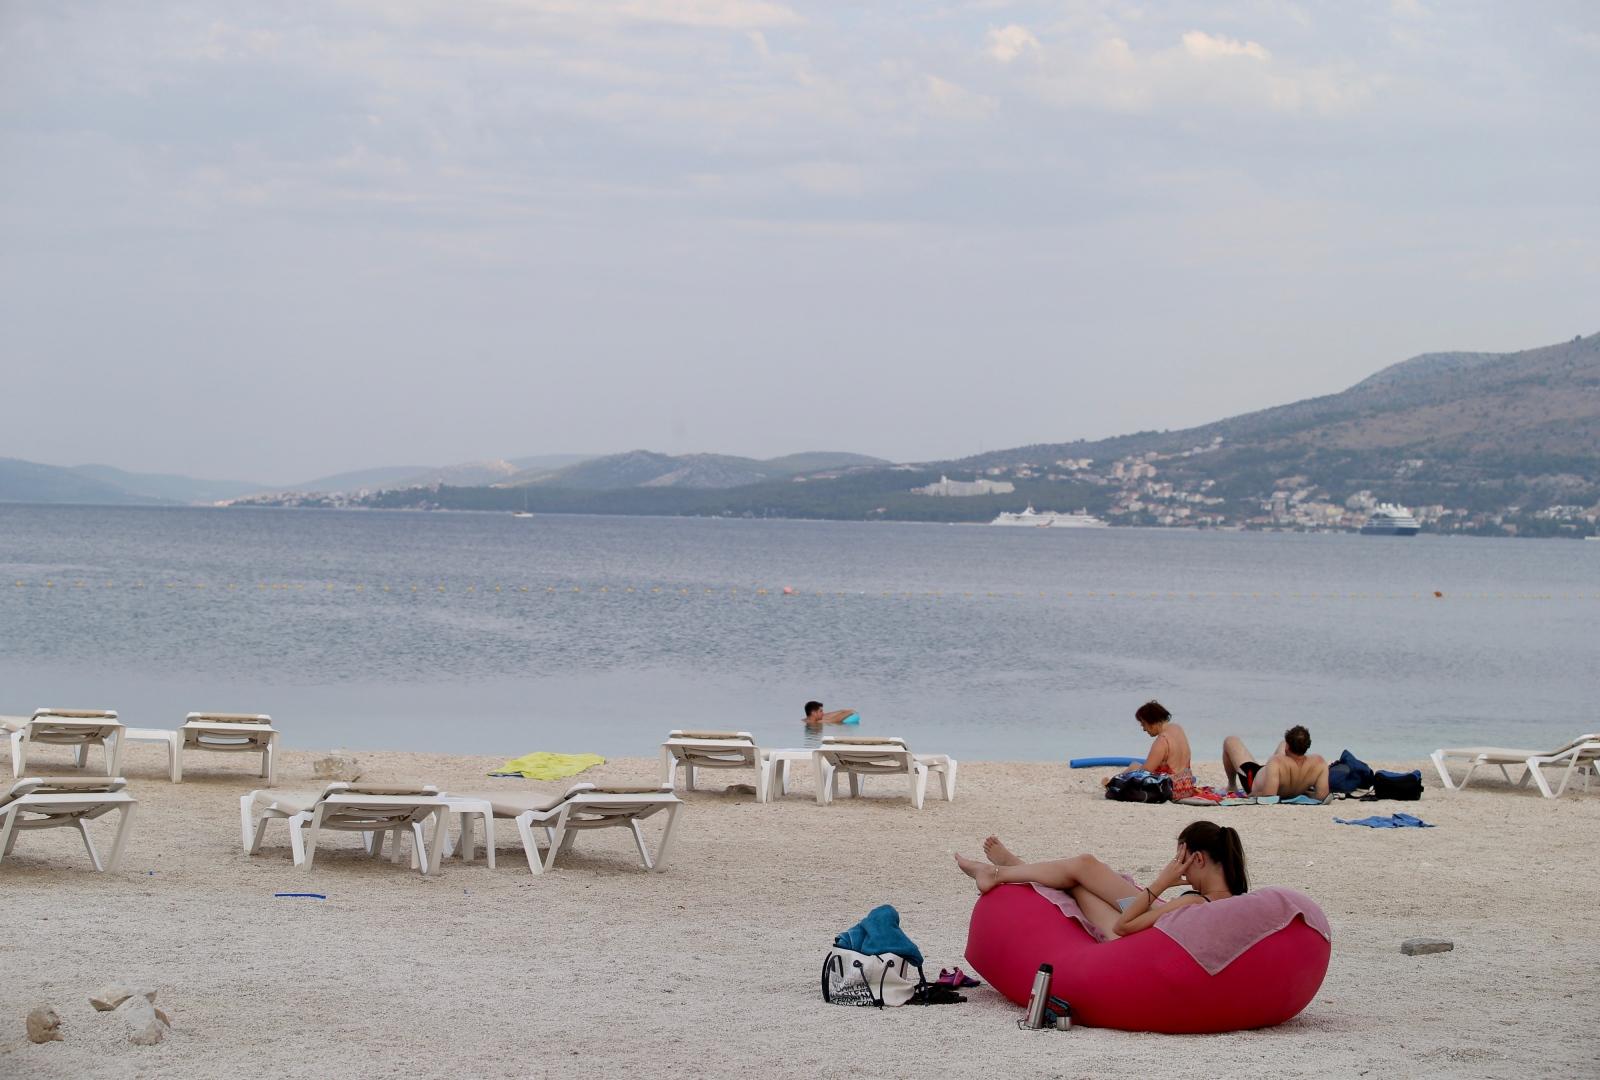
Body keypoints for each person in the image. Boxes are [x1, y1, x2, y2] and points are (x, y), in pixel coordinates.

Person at [954, 821, 1247, 939]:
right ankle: (1011, 868)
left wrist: (1161, 882)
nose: (1180, 872)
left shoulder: (1197, 901)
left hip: (1129, 939)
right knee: (1086, 865)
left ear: (1198, 858)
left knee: (1078, 883)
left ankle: (1005, 870)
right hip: (1155, 915)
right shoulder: (1234, 899)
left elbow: (1124, 926)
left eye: (1181, 861)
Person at [1104, 699, 1192, 791]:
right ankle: (1112, 783)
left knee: (1134, 766)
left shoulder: (1162, 740)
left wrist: (1126, 774)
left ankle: (1112, 784)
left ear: (1152, 723)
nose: (1144, 729)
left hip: (1170, 788)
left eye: (1144, 725)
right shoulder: (1177, 728)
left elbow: (1145, 771)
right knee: (1135, 766)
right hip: (1186, 785)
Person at [1222, 725, 1329, 799]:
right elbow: (1322, 796)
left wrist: (1254, 794)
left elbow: (1269, 797)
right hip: (1279, 773)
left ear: (1288, 746)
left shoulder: (1275, 761)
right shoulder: (1320, 762)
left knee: (1230, 740)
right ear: (1307, 745)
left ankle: (1232, 785)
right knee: (1281, 743)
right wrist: (1302, 792)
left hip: (1253, 778)